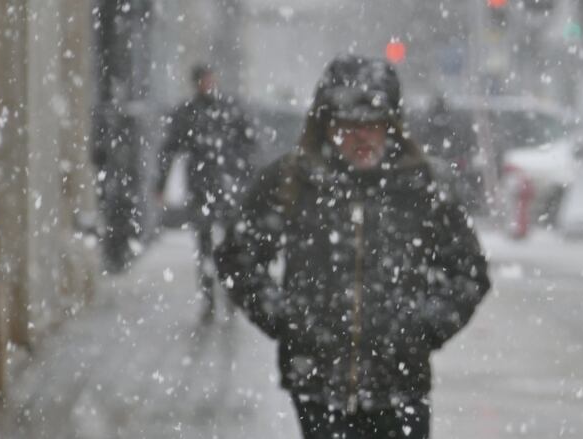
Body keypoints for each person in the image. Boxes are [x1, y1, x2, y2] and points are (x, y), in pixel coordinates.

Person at [215, 54, 490, 438]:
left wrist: (422, 327)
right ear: (326, 125)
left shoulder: (422, 185)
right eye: (346, 124)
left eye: (373, 124)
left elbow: (469, 273)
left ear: (392, 125)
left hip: (401, 386)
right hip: (317, 387)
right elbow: (237, 259)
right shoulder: (292, 181)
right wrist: (288, 321)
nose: (360, 136)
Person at [156, 63, 256, 322]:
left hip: (226, 185)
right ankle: (209, 299)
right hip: (202, 186)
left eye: (211, 79)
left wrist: (243, 172)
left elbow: (250, 143)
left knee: (230, 242)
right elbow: (169, 148)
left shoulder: (229, 110)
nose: (208, 85)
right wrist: (160, 183)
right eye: (204, 80)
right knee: (204, 244)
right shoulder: (188, 113)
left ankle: (231, 294)